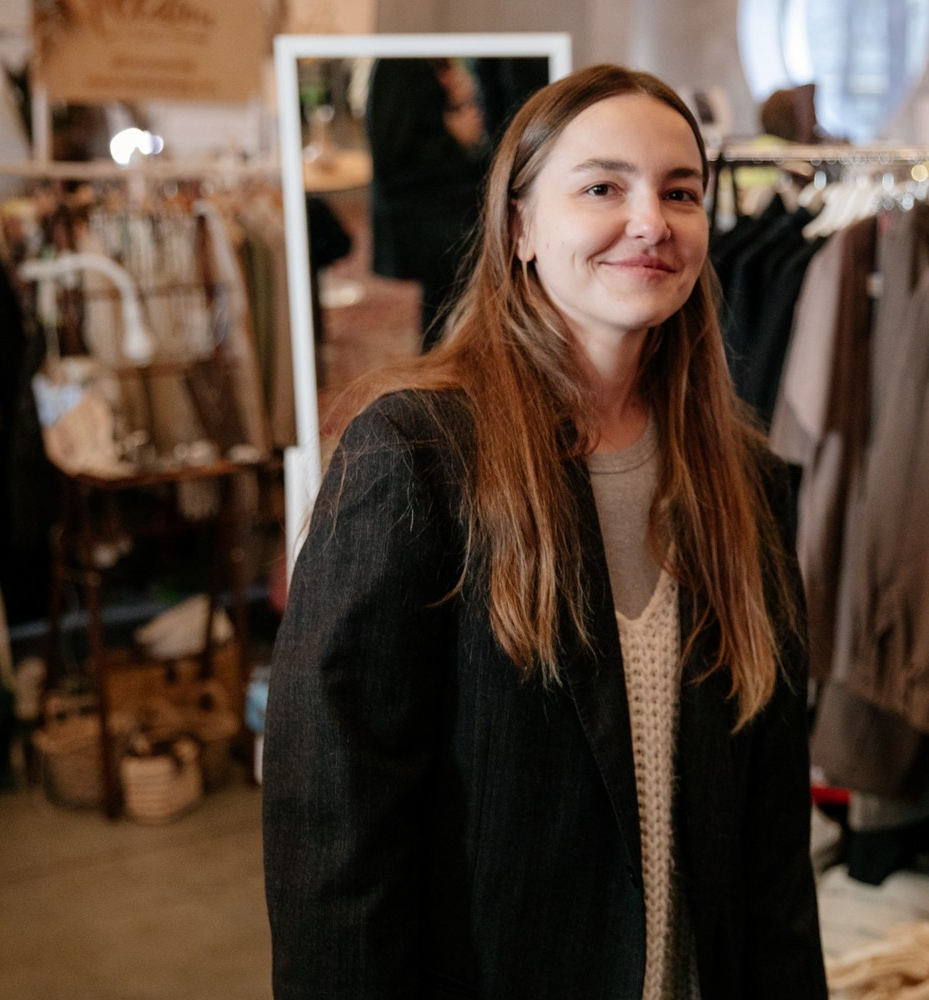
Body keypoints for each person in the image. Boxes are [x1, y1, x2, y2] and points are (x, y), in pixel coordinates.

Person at [263, 64, 829, 1000]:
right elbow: (333, 828)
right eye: (603, 187)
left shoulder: (744, 481)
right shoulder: (417, 456)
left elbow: (770, 838)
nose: (650, 222)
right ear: (520, 227)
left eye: (680, 192)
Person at [366, 58, 492, 351]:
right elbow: (391, 152)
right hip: (425, 208)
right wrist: (452, 133)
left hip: (451, 198)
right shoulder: (398, 64)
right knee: (448, 304)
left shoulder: (437, 59)